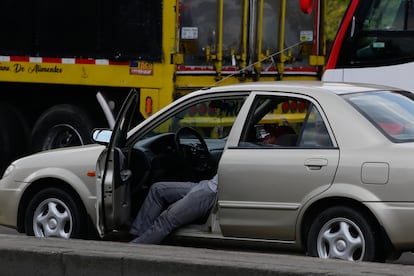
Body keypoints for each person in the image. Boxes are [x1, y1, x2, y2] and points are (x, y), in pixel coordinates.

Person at [129, 174, 217, 244]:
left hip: (211, 192)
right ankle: (139, 236)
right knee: (157, 189)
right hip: (206, 184)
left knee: (167, 218)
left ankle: (134, 249)